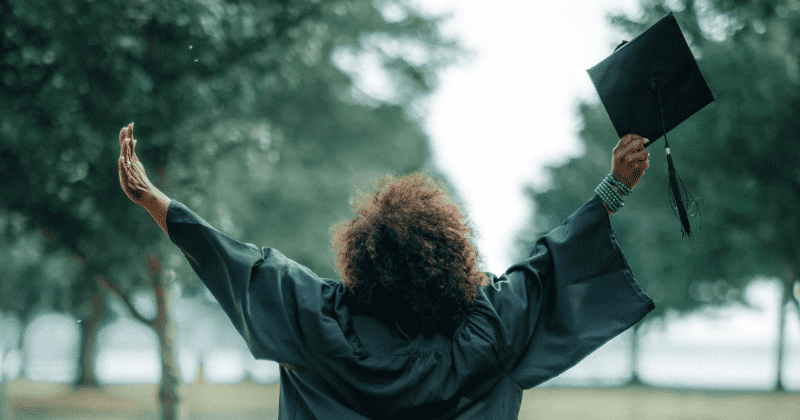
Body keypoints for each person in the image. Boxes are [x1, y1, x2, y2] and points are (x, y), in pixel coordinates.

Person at [117, 123, 654, 419]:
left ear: (363, 258)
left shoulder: (321, 327)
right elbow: (550, 266)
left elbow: (232, 263)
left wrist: (153, 200)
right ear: (451, 256)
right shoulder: (488, 333)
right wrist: (616, 186)